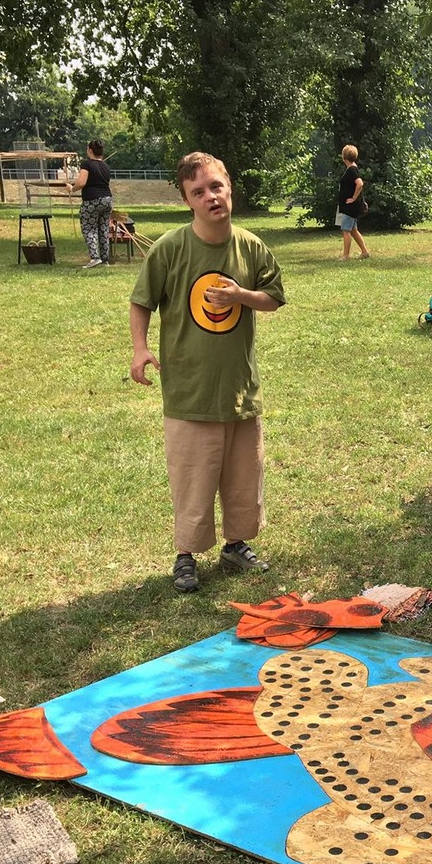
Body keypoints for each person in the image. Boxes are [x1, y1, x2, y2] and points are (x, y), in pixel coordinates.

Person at [130, 152, 287, 593]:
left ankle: (236, 545)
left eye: (216, 186)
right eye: (198, 192)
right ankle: (185, 555)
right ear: (187, 201)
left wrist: (241, 296)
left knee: (243, 476)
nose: (210, 197)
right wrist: (140, 348)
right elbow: (141, 301)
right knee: (192, 477)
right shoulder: (170, 249)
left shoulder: (251, 247)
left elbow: (273, 298)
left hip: (239, 389)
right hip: (189, 391)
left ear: (229, 186)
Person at [71, 139, 113, 269]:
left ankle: (95, 257)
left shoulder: (87, 164)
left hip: (92, 200)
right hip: (107, 199)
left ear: (90, 150)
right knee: (103, 229)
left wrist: (71, 188)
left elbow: (81, 182)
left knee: (89, 228)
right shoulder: (106, 166)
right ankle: (105, 259)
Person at [337, 144, 371, 260]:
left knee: (346, 230)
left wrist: (354, 198)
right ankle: (365, 252)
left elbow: (360, 184)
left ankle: (346, 255)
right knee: (353, 230)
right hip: (350, 206)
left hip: (350, 207)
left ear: (344, 157)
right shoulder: (352, 168)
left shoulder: (351, 170)